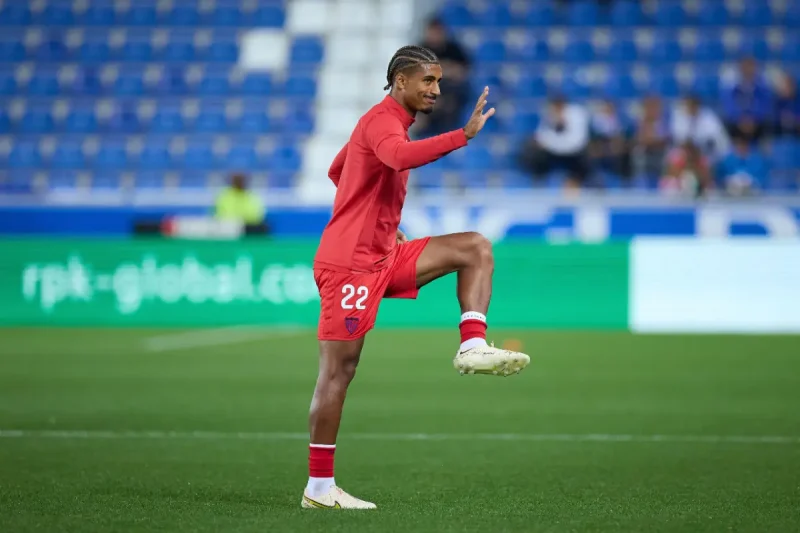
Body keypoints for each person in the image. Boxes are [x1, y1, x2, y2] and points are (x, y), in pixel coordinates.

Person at [302, 45, 530, 511]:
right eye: (428, 81)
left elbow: (337, 170)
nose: (436, 89)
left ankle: (472, 344)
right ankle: (319, 489)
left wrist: (378, 218)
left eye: (439, 81)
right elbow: (398, 157)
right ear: (400, 81)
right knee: (338, 373)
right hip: (348, 266)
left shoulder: (385, 121)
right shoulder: (384, 121)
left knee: (475, 247)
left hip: (383, 253)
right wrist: (461, 136)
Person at [518, 94, 590, 190]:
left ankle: (580, 186)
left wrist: (551, 143)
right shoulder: (549, 114)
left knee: (585, 160)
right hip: (553, 153)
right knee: (533, 153)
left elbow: (576, 142)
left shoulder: (577, 114)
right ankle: (537, 186)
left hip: (574, 154)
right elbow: (541, 137)